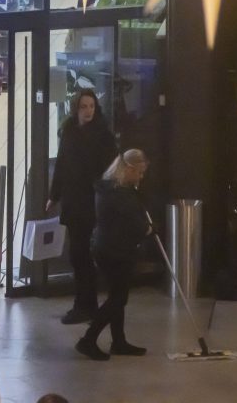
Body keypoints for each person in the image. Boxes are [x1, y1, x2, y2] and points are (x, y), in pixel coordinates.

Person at [46, 89, 117, 324]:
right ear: (76, 108)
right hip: (73, 199)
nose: (88, 111)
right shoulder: (69, 132)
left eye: (92, 107)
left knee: (81, 254)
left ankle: (85, 304)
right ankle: (84, 303)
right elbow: (63, 164)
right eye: (84, 107)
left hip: (90, 200)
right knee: (77, 254)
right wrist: (54, 195)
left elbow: (110, 169)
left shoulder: (102, 136)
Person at [75, 149, 151, 362]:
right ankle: (88, 340)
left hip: (108, 248)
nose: (141, 177)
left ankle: (119, 341)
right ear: (129, 169)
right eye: (140, 172)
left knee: (117, 296)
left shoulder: (110, 188)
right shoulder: (120, 194)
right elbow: (135, 223)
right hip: (115, 251)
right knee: (118, 299)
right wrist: (148, 230)